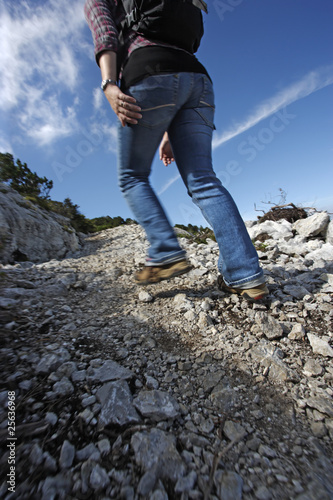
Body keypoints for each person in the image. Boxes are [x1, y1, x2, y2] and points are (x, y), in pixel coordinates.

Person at [84, 0, 269, 301]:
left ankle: (165, 250)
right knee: (204, 180)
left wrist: (108, 84)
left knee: (132, 177)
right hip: (198, 81)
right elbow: (182, 61)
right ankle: (247, 276)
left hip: (147, 71)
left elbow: (105, 33)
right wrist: (169, 132)